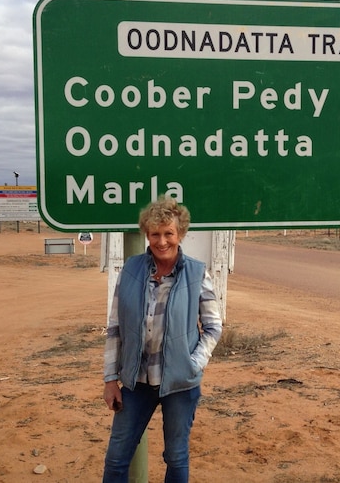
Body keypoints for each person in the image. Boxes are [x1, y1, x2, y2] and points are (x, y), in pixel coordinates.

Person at [102, 196, 223, 483]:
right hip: (136, 382)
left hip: (180, 384)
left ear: (180, 233)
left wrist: (193, 363)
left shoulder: (196, 273)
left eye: (168, 233)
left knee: (176, 457)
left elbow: (213, 326)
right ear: (147, 234)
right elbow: (115, 327)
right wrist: (110, 380)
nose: (162, 241)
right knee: (117, 458)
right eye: (155, 234)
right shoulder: (131, 270)